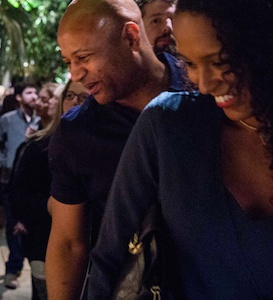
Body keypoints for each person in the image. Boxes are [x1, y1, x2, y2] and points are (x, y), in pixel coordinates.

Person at [88, 0, 273, 298]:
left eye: (221, 61)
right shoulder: (167, 126)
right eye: (190, 63)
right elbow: (109, 256)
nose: (204, 84)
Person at [45, 0, 187, 298]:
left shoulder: (200, 88)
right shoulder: (77, 134)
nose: (75, 74)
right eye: (68, 61)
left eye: (83, 57)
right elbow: (69, 243)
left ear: (132, 37)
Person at [8, 81, 88, 300]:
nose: (75, 102)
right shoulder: (40, 145)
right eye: (70, 95)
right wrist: (49, 206)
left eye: (83, 97)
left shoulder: (104, 147)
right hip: (44, 242)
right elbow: (19, 193)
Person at [0, 82, 39, 289]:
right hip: (10, 181)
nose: (34, 96)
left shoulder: (41, 120)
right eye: (29, 92)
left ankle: (35, 270)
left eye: (36, 92)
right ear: (18, 97)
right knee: (13, 227)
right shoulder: (7, 120)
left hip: (35, 183)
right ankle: (13, 269)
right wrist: (4, 164)